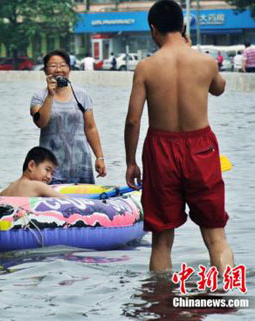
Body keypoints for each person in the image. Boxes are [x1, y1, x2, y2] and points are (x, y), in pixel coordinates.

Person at [124, 0, 233, 273]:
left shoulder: (146, 67)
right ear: (183, 27)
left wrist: (131, 162)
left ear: (153, 29)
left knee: (161, 238)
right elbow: (219, 89)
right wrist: (191, 50)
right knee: (215, 233)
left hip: (161, 149)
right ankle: (229, 296)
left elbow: (133, 120)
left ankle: (162, 305)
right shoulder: (205, 62)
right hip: (201, 148)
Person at [30, 50, 107, 184]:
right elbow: (41, 122)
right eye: (53, 66)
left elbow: (91, 128)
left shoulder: (82, 95)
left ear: (70, 69)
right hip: (50, 165)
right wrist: (50, 94)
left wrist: (99, 157)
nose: (58, 69)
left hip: (80, 161)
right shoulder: (39, 97)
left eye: (63, 65)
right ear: (45, 70)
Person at [0, 147, 65, 197]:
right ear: (31, 165)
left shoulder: (9, 187)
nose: (49, 176)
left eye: (52, 173)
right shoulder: (37, 186)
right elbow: (65, 200)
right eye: (47, 170)